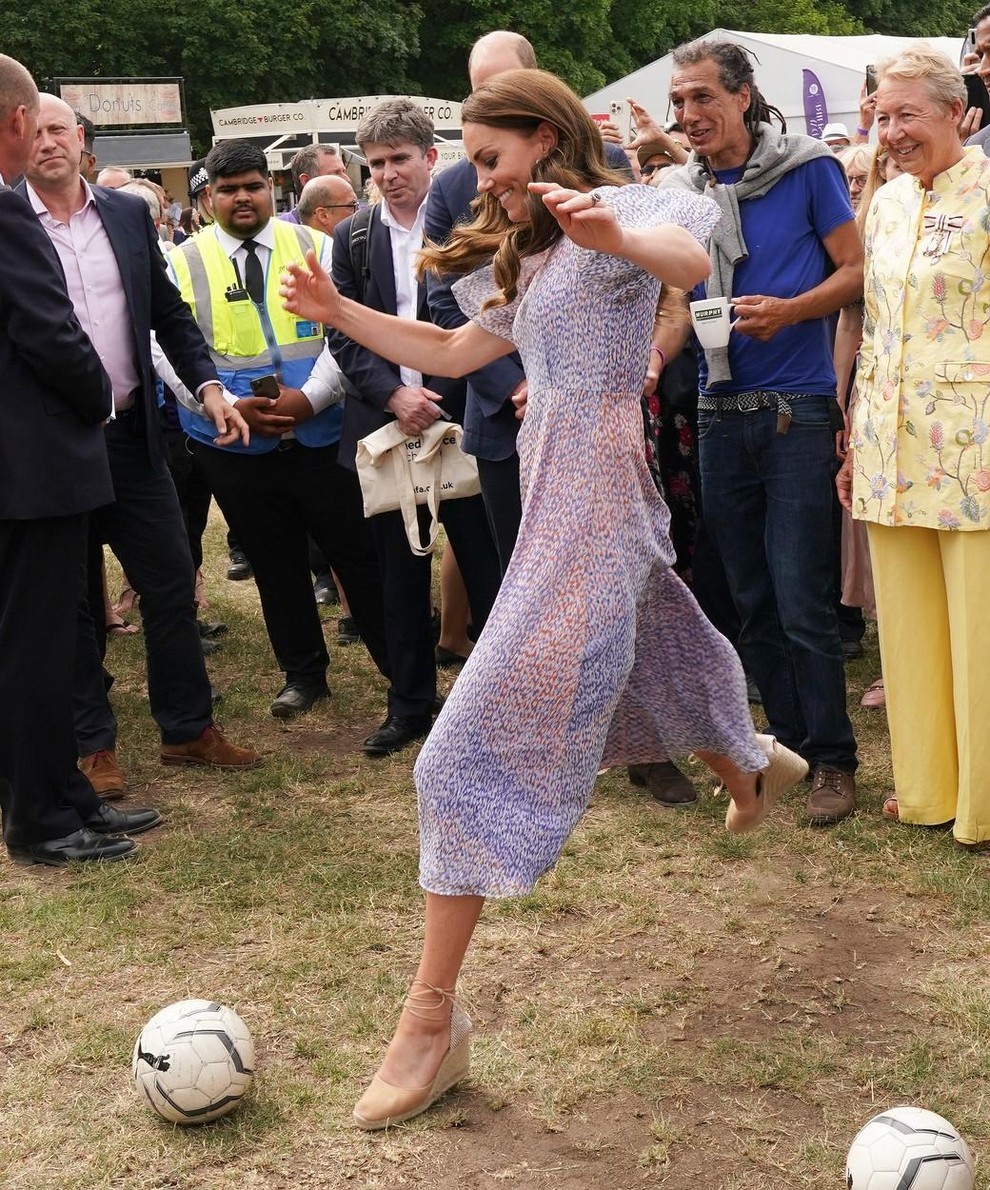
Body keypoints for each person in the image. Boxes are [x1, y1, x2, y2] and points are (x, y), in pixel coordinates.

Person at [281, 66, 808, 1130]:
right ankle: (750, 755)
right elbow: (450, 348)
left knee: (455, 752)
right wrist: (339, 309)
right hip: (555, 487)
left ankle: (429, 1021)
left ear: (547, 136)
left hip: (598, 495)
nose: (482, 182)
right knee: (651, 636)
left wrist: (607, 233)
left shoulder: (627, 206)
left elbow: (687, 257)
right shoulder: (529, 248)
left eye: (490, 159)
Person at [22, 93, 262, 795]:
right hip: (50, 444)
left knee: (170, 581)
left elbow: (169, 315)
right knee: (70, 601)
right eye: (33, 132)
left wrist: (209, 386)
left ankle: (188, 729)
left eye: (59, 129)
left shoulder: (125, 215)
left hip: (133, 436)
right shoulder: (7, 220)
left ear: (82, 140)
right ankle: (92, 747)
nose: (47, 144)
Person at [656, 39, 863, 827]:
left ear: (744, 96)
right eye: (679, 102)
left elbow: (854, 271)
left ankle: (835, 761)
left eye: (703, 98)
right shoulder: (679, 189)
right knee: (749, 597)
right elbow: (672, 296)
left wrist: (789, 311)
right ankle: (788, 751)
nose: (688, 116)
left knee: (803, 597)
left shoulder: (808, 166)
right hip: (716, 411)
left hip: (796, 410)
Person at [167, 139, 393, 721]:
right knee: (274, 564)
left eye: (252, 186)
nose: (242, 198)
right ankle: (304, 674)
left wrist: (310, 398)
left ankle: (401, 669)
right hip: (232, 441)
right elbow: (161, 344)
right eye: (228, 189)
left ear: (273, 188)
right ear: (208, 196)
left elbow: (347, 332)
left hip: (323, 434)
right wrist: (222, 403)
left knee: (359, 556)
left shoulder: (318, 245)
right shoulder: (182, 261)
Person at [0, 56, 161, 866]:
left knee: (45, 644)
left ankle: (63, 794)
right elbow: (50, 332)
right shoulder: (3, 212)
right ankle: (40, 818)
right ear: (21, 121)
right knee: (37, 650)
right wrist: (99, 391)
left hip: (26, 472)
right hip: (33, 472)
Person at [837, 44, 990, 847]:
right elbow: (875, 326)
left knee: (980, 631)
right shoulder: (885, 202)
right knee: (910, 630)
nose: (891, 132)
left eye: (908, 115)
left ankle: (986, 805)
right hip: (888, 445)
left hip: (976, 452)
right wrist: (854, 437)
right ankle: (928, 790)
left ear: (957, 112)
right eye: (881, 115)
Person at [328, 98, 501, 757]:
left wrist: (442, 392)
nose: (388, 173)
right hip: (386, 425)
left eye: (399, 158)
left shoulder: (471, 224)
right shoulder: (355, 236)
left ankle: (495, 705)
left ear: (432, 157)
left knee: (486, 568)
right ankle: (409, 705)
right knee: (398, 578)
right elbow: (342, 334)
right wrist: (395, 395)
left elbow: (489, 318)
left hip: (462, 416)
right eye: (375, 163)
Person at [427, 30, 634, 574]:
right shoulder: (453, 185)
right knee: (521, 583)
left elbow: (663, 278)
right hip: (501, 419)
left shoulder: (609, 168)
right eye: (478, 91)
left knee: (599, 583)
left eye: (502, 88)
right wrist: (519, 384)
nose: (486, 180)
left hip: (597, 424)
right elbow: (448, 308)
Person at [280, 144, 351, 224]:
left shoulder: (358, 219)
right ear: (306, 181)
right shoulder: (280, 229)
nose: (347, 179)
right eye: (336, 173)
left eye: (343, 171)